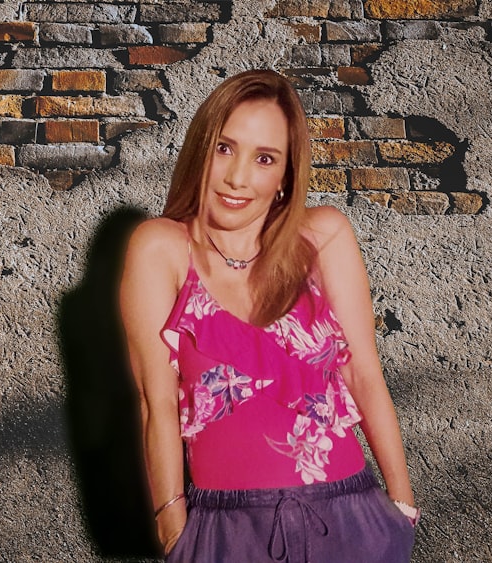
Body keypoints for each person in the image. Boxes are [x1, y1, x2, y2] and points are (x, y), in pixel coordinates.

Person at [119, 69, 419, 562]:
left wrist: (402, 511)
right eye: (224, 148)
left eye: (264, 159)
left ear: (285, 174)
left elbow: (363, 374)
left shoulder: (322, 236)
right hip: (226, 529)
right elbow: (157, 402)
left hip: (351, 519)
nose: (238, 177)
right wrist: (175, 530)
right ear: (201, 150)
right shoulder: (162, 247)